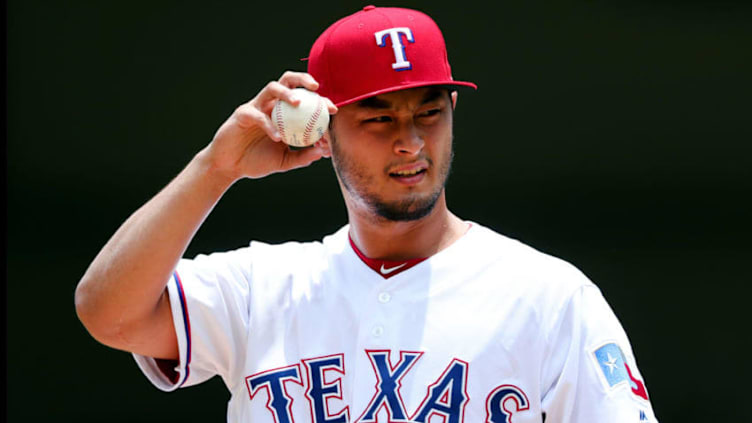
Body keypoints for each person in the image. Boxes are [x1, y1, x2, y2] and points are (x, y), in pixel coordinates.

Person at [75, 6, 659, 422]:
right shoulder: (263, 289)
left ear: (452, 108)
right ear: (321, 132)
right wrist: (214, 169)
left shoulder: (549, 297)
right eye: (378, 118)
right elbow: (109, 313)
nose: (411, 142)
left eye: (428, 112)